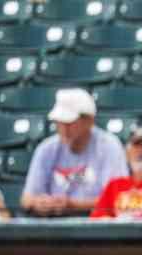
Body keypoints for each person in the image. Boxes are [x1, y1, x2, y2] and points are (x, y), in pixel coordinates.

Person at [21, 88, 128, 216]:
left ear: (89, 121)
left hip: (98, 225)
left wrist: (73, 205)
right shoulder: (46, 149)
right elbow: (26, 199)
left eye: (70, 122)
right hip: (53, 226)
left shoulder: (109, 146)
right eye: (60, 122)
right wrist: (38, 203)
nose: (64, 128)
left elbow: (119, 199)